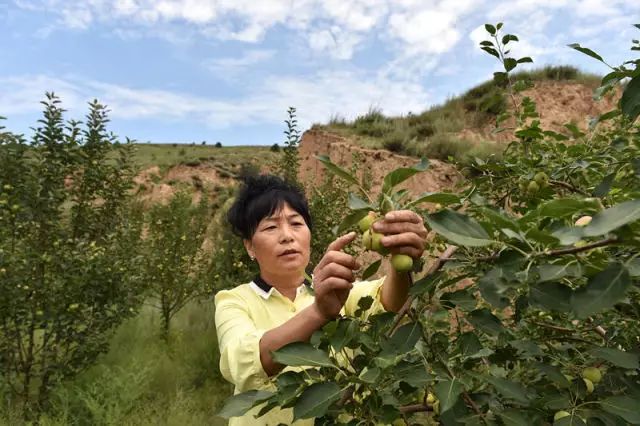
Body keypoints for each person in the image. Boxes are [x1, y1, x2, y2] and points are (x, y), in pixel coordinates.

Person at [215, 175, 428, 425]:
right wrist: (318, 313)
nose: (287, 236)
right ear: (250, 247)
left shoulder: (338, 293)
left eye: (296, 224)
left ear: (309, 235)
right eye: (270, 227)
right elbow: (242, 362)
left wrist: (400, 259)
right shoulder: (235, 300)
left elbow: (389, 305)